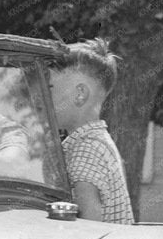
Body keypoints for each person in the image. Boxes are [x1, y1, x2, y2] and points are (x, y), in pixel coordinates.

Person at [51, 37, 134, 223]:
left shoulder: (84, 150)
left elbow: (89, 232)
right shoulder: (99, 141)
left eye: (50, 88)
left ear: (80, 94)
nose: (44, 97)